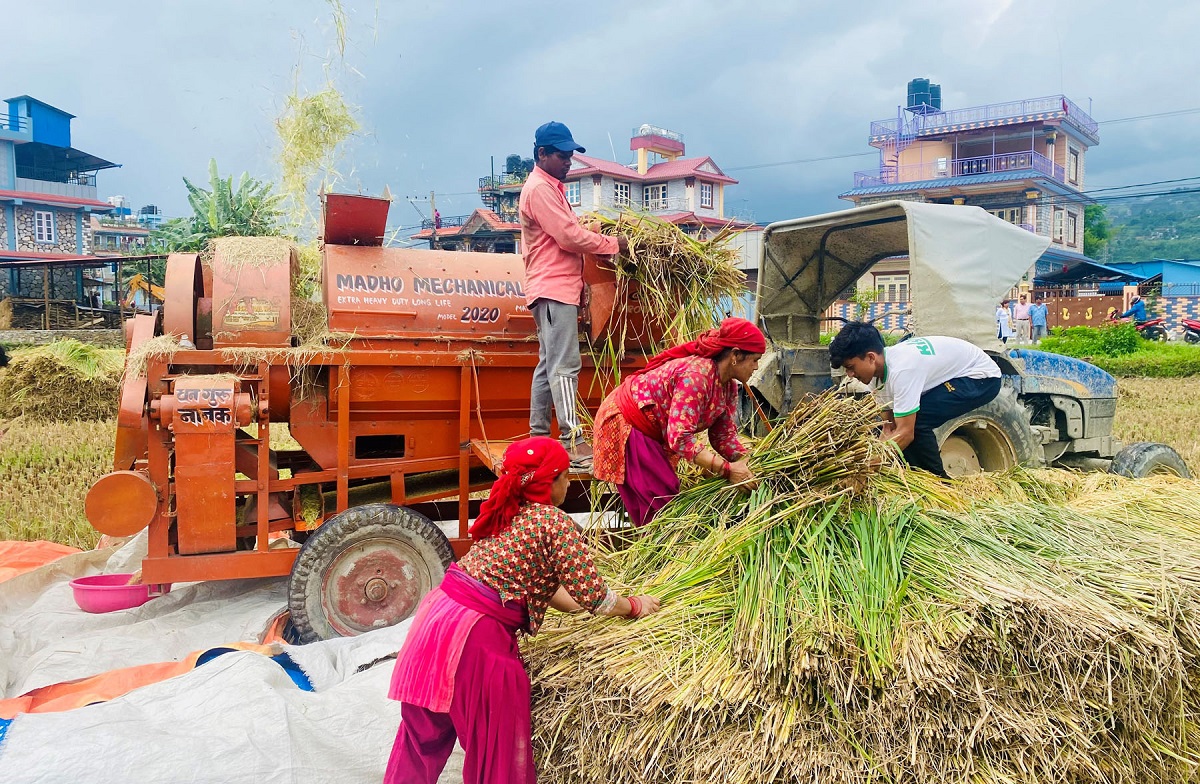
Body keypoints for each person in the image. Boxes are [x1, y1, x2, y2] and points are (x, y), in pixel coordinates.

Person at [385, 437, 661, 784]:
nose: (568, 483)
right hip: (475, 638)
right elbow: (597, 597)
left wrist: (576, 605)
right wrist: (635, 606)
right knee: (497, 751)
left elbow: (539, 584)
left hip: (437, 618)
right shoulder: (553, 523)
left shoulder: (507, 508)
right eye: (565, 476)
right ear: (552, 480)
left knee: (420, 740)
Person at [519, 121, 630, 469]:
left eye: (570, 156)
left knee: (548, 364)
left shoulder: (551, 188)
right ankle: (571, 440)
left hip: (555, 287)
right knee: (565, 365)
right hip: (552, 289)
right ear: (542, 155)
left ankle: (538, 437)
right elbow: (568, 237)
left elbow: (567, 236)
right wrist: (614, 244)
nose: (569, 162)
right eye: (563, 156)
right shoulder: (539, 189)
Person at [592, 317, 765, 528]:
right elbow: (680, 438)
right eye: (754, 360)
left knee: (662, 501)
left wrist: (748, 461)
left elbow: (722, 436)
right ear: (736, 355)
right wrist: (728, 470)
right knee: (661, 504)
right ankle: (657, 556)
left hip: (652, 431)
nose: (756, 367)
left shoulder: (728, 388)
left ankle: (657, 553)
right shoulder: (697, 376)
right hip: (628, 421)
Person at [829, 322, 1002, 478]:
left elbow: (906, 433)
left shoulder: (903, 370)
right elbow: (889, 427)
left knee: (917, 421)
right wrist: (875, 453)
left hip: (980, 377)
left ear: (871, 357)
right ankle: (911, 475)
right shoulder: (874, 377)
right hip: (955, 375)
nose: (849, 375)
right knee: (904, 424)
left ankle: (938, 482)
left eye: (851, 367)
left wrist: (871, 464)